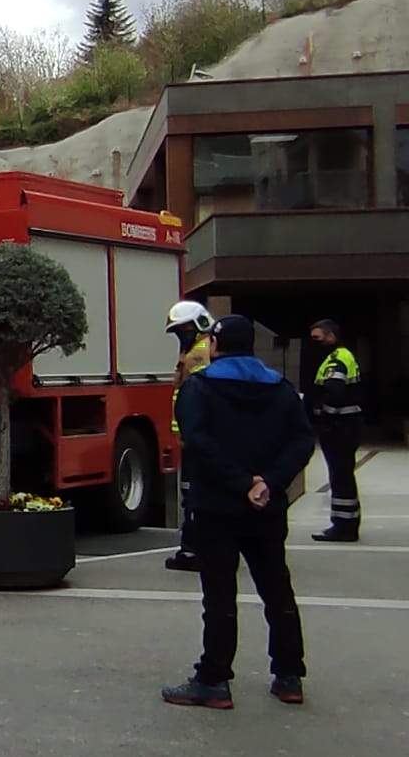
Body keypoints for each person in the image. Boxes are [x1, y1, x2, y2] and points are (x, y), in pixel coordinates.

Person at [163, 315, 313, 710]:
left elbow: (198, 442)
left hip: (217, 506)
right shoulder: (280, 388)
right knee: (276, 588)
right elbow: (301, 441)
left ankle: (213, 680)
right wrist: (269, 482)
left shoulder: (200, 387)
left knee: (220, 595)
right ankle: (289, 675)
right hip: (267, 507)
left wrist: (240, 482)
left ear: (215, 343)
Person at [165, 300, 216, 572]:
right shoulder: (199, 350)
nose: (179, 336)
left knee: (194, 495)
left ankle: (192, 551)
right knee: (194, 494)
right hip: (195, 438)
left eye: (182, 330)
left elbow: (195, 397)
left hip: (196, 440)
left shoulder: (199, 354)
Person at [307, 319, 363, 543]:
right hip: (347, 425)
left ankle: (344, 527)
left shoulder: (337, 359)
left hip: (339, 427)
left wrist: (321, 414)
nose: (314, 343)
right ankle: (347, 522)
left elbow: (334, 393)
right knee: (344, 476)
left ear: (331, 336)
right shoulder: (343, 356)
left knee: (340, 477)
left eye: (317, 338)